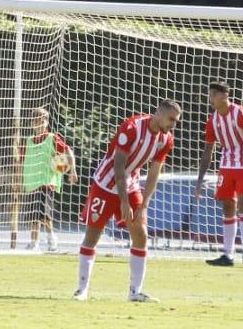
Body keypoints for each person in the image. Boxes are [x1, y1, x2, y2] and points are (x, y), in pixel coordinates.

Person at [73, 101, 182, 303]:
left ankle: (135, 292)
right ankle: (82, 289)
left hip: (131, 185)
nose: (173, 125)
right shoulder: (131, 127)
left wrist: (144, 204)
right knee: (93, 234)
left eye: (176, 121)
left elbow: (154, 172)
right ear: (158, 113)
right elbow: (118, 166)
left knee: (141, 234)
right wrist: (123, 202)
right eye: (171, 119)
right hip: (106, 184)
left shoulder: (166, 139)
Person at [194, 81, 243, 267]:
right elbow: (208, 152)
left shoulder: (242, 115)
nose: (211, 99)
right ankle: (228, 254)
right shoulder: (212, 120)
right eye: (210, 95)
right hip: (226, 166)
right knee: (227, 207)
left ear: (225, 95)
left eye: (213, 95)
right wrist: (200, 181)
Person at [13, 107, 77, 252]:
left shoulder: (52, 138)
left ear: (46, 122)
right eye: (36, 121)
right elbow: (21, 162)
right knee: (33, 216)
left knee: (44, 214)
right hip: (31, 183)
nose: (39, 123)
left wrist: (72, 171)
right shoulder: (28, 141)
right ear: (31, 123)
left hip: (47, 182)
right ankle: (34, 242)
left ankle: (51, 239)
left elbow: (68, 151)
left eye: (42, 120)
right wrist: (17, 179)